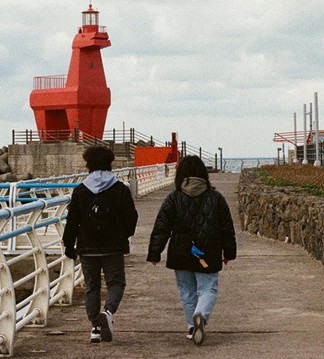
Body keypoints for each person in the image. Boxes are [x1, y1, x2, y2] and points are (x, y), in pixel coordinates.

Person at [146, 155, 237, 345]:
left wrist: (155, 252)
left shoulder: (174, 197)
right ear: (203, 174)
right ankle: (200, 317)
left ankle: (191, 326)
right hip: (208, 251)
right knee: (208, 289)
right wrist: (229, 252)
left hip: (181, 250)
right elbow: (226, 227)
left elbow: (162, 226)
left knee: (186, 291)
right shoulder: (216, 197)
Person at [62, 145, 138, 343]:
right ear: (110, 163)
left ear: (88, 164)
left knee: (91, 286)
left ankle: (95, 328)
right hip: (113, 246)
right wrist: (125, 235)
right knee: (116, 283)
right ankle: (108, 312)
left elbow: (72, 221)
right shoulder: (120, 189)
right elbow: (131, 218)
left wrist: (68, 245)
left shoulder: (80, 190)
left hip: (87, 246)